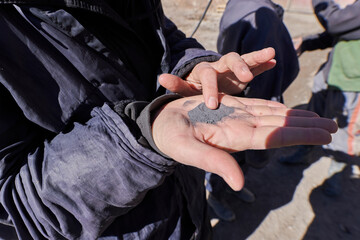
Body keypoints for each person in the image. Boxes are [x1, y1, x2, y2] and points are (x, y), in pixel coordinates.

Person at [0, 0, 337, 239]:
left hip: (187, 204)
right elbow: (16, 203)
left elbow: (163, 35)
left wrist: (193, 67)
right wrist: (144, 134)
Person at [188, 0, 300, 221]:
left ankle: (231, 189)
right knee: (230, 156)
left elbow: (226, 48)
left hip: (251, 100)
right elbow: (287, 68)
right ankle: (217, 196)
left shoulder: (252, 10)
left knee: (242, 155)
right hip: (244, 103)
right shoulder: (255, 13)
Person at [280, 0, 360, 197]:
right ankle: (305, 151)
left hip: (354, 82)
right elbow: (341, 32)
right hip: (332, 72)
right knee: (313, 115)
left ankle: (338, 169)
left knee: (346, 128)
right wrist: (307, 43)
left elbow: (334, 23)